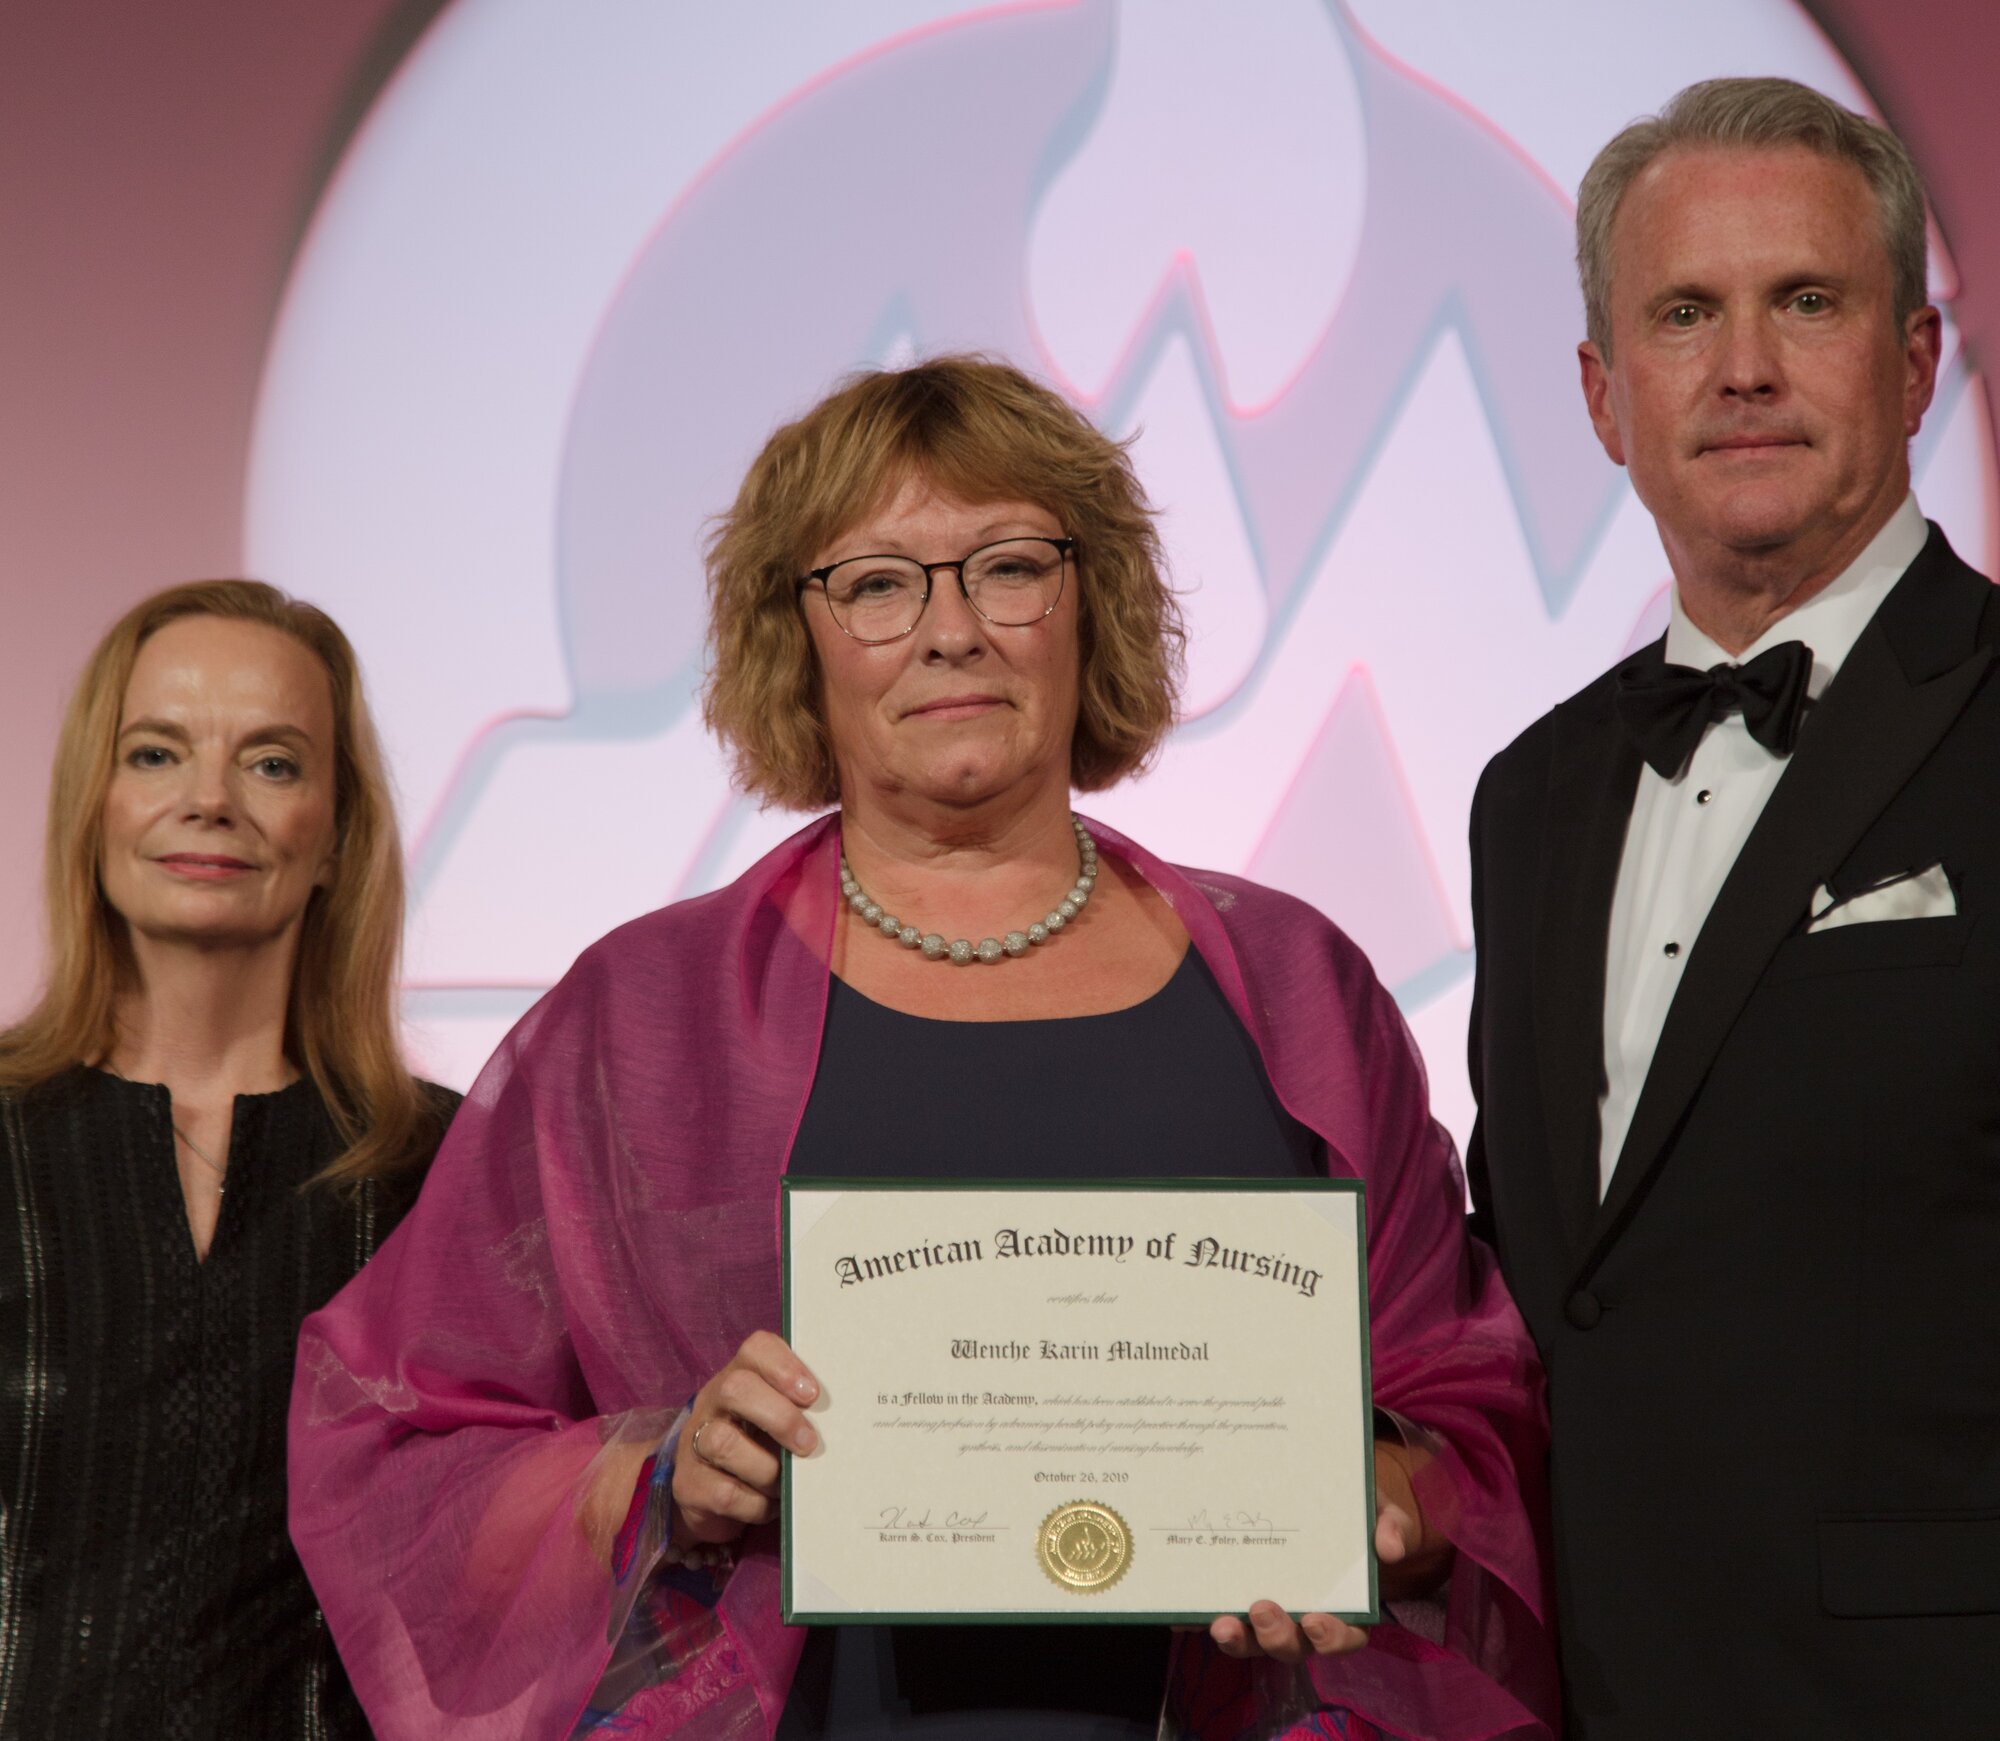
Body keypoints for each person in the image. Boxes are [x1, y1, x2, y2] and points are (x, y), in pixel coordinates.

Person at [291, 355, 1557, 1741]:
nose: (951, 632)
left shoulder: (1296, 986)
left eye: (1008, 568)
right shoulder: (639, 1018)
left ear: (1092, 605)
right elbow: (398, 1442)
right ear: (796, 640)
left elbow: (1469, 1399)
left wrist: (1389, 1505)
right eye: (879, 584)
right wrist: (662, 1475)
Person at [1466, 76, 2000, 1736]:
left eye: (1809, 302)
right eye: (1685, 313)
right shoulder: (1530, 796)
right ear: (1603, 394)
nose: (1745, 366)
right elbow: (1550, 1274)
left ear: (1914, 363)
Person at [0, 581, 456, 1737]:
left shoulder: (451, 1169)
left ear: (337, 834)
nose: (208, 799)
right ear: (94, 804)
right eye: (155, 753)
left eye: (272, 762)